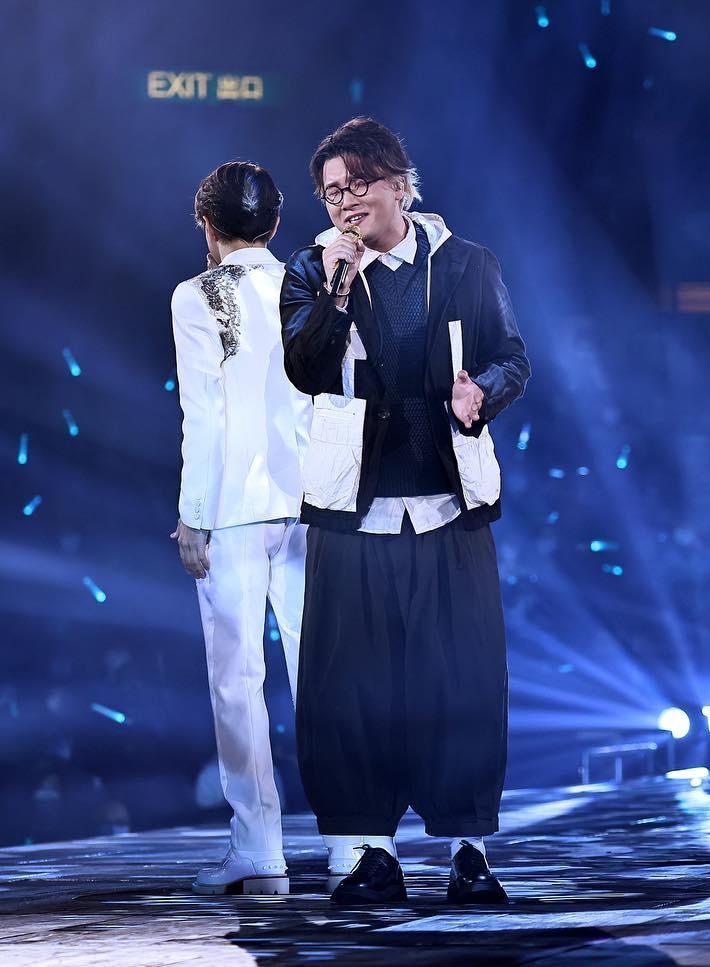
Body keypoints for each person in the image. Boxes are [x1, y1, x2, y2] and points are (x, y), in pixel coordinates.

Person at [279, 118, 531, 904]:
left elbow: (512, 357)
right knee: (352, 689)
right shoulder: (312, 268)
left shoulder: (467, 264)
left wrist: (482, 393)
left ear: (397, 182)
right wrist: (337, 282)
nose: (344, 202)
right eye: (331, 192)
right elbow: (305, 367)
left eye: (357, 184)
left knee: (461, 681)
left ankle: (468, 850)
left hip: (448, 508)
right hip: (353, 513)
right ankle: (371, 853)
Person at [171, 161, 311, 895]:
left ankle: (260, 851)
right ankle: (356, 845)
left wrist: (191, 516)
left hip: (232, 508)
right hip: (312, 504)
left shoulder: (197, 295)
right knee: (322, 675)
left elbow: (204, 413)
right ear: (275, 224)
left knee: (238, 681)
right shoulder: (309, 284)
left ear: (207, 225)